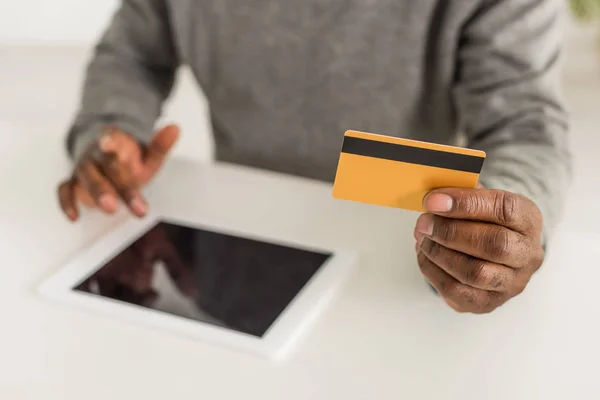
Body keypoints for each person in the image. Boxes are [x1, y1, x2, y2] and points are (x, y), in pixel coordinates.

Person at [56, 0, 571, 314]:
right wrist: (112, 129)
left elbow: (523, 123)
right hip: (235, 255)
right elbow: (132, 54)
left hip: (402, 258)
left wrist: (500, 229)